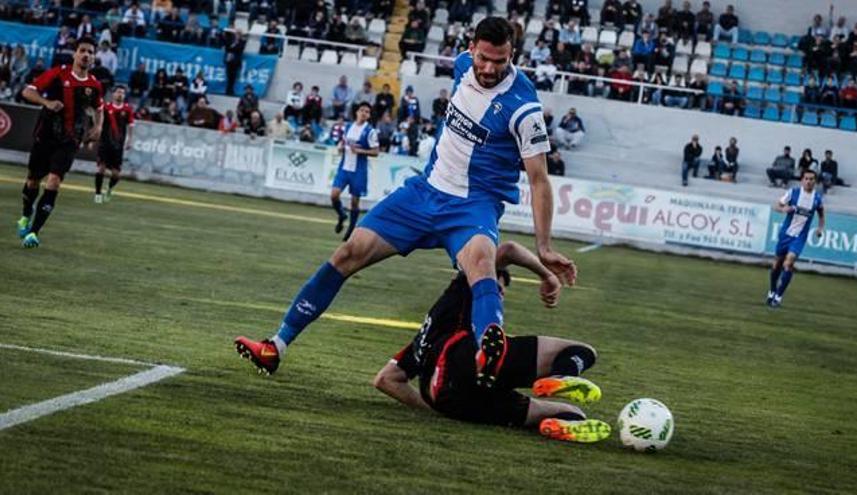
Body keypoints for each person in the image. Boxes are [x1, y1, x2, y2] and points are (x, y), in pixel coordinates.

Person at [234, 18, 574, 389]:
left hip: (473, 205)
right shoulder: (462, 65)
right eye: (484, 59)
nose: (490, 69)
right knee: (350, 251)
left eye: (500, 61)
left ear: (513, 55)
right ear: (471, 47)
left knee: (481, 263)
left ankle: (489, 349)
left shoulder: (524, 107)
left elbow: (540, 181)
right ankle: (276, 345)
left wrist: (544, 246)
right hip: (423, 192)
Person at [374, 240, 610, 443]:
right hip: (463, 355)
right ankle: (560, 377)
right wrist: (547, 275)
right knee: (582, 351)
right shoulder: (468, 281)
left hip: (447, 400)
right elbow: (507, 249)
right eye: (498, 289)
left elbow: (385, 379)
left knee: (574, 412)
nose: (499, 296)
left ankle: (560, 422)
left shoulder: (424, 336)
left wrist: (433, 407)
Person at [17, 37, 104, 248]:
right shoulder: (58, 73)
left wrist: (98, 127)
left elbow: (98, 108)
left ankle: (34, 232)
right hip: (45, 136)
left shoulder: (94, 85)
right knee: (32, 181)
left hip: (70, 140)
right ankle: (26, 214)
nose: (86, 55)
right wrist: (47, 102)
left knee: (54, 181)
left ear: (94, 57)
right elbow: (27, 91)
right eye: (82, 51)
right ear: (75, 54)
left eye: (90, 52)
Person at [767, 170, 825, 308]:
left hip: (800, 237)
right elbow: (776, 205)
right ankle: (772, 290)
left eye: (811, 179)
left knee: (788, 263)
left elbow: (821, 215)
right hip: (785, 235)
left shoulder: (817, 198)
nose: (809, 181)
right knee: (776, 265)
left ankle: (778, 297)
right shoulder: (793, 192)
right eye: (806, 178)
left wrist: (820, 228)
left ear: (815, 182)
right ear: (802, 180)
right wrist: (783, 209)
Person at [330, 102, 380, 241]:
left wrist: (360, 151)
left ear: (369, 115)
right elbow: (343, 142)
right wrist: (340, 147)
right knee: (334, 195)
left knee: (354, 202)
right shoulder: (348, 127)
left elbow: (376, 152)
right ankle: (341, 215)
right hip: (344, 167)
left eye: (367, 112)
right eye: (362, 110)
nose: (364, 113)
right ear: (357, 112)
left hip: (358, 170)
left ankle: (351, 230)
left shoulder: (370, 131)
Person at [94, 85, 134, 204]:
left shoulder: (127, 109)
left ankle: (109, 188)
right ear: (113, 94)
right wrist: (96, 136)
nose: (120, 95)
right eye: (118, 92)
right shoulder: (106, 107)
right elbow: (99, 122)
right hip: (105, 143)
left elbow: (131, 125)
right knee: (101, 169)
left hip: (118, 145)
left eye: (122, 93)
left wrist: (129, 139)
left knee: (116, 174)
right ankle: (97, 193)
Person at [224, 29, 246, 95]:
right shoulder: (231, 40)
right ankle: (228, 89)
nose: (237, 36)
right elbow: (227, 48)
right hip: (229, 60)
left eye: (239, 35)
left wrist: (234, 46)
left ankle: (231, 90)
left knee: (233, 76)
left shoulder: (242, 42)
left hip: (236, 61)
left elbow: (240, 49)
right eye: (237, 34)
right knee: (228, 75)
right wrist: (234, 45)